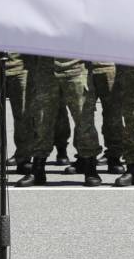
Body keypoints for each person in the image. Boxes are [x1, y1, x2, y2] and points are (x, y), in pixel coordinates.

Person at [17, 57, 101, 187]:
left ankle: (90, 168)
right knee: (41, 121)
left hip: (76, 67)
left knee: (84, 121)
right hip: (46, 69)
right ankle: (37, 169)